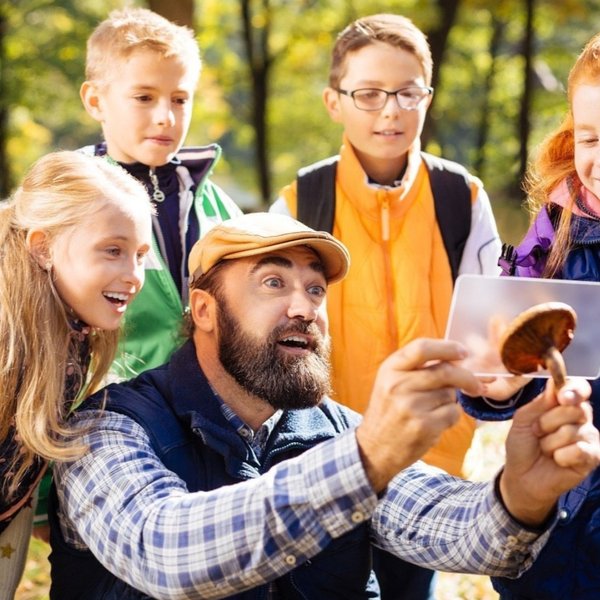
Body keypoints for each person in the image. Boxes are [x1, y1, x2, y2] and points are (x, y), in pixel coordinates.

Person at [48, 212, 600, 599]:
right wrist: (364, 462)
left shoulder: (340, 431)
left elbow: (452, 528)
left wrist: (523, 494)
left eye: (316, 290)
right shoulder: (107, 429)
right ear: (206, 310)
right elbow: (166, 552)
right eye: (272, 282)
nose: (304, 307)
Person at [270, 13, 501, 598]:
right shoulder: (301, 201)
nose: (390, 111)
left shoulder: (461, 197)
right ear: (334, 101)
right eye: (368, 94)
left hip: (431, 456)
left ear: (428, 95)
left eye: (406, 92)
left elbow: (489, 320)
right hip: (324, 457)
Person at [460, 32, 600, 600]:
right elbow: (511, 350)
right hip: (575, 493)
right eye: (591, 137)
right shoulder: (558, 229)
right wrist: (497, 385)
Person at [0, 150, 153, 599]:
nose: (133, 275)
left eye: (140, 255)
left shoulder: (74, 327)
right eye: (113, 251)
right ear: (43, 247)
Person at [79, 6, 242, 378]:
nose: (166, 116)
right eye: (144, 98)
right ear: (95, 101)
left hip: (211, 405)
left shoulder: (215, 204)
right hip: (107, 409)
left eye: (180, 99)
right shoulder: (71, 200)